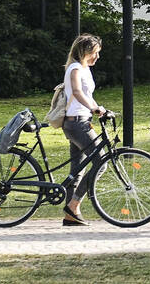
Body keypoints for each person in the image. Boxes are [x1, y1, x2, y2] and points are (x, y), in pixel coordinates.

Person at [61, 34, 107, 226]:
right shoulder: (75, 68)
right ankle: (74, 205)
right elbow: (78, 92)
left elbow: (87, 95)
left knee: (77, 171)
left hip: (81, 121)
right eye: (94, 53)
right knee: (101, 162)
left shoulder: (85, 69)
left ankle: (70, 215)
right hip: (77, 124)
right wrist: (92, 108)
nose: (97, 57)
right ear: (84, 51)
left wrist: (100, 109)